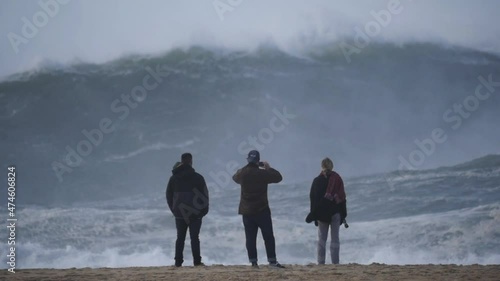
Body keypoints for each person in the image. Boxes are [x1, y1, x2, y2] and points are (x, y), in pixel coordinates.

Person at [232, 150, 285, 269]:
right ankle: (272, 261)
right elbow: (278, 177)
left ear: (248, 160)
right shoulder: (263, 174)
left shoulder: (243, 173)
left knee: (250, 238)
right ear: (258, 161)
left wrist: (247, 166)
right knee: (268, 236)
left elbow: (234, 177)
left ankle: (253, 262)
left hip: (246, 211)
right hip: (262, 210)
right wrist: (268, 168)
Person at [166, 153, 209, 267]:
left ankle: (178, 262)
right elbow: (205, 196)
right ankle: (197, 261)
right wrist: (203, 211)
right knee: (195, 238)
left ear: (181, 161)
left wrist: (174, 209)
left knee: (180, 238)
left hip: (179, 213)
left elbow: (168, 195)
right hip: (195, 213)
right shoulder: (198, 177)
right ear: (191, 162)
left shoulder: (174, 178)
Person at [306, 157, 347, 265]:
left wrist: (313, 215)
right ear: (331, 166)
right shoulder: (337, 179)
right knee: (335, 239)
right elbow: (342, 198)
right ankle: (335, 263)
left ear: (322, 167)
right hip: (335, 213)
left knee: (321, 240)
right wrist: (344, 214)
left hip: (321, 214)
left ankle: (321, 263)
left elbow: (313, 199)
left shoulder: (316, 181)